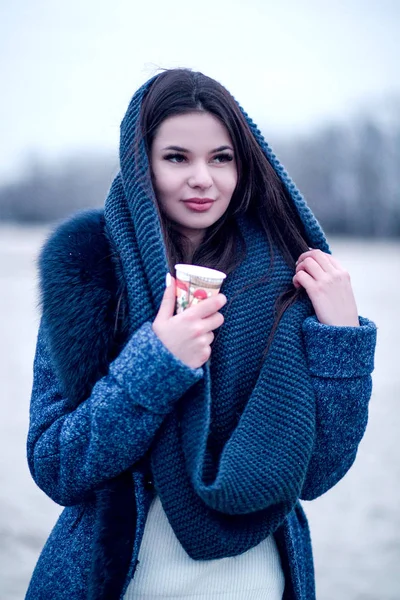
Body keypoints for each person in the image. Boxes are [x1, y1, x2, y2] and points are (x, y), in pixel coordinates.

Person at [25, 68, 377, 600]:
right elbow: (57, 465)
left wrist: (343, 340)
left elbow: (317, 476)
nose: (201, 179)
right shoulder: (88, 268)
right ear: (141, 163)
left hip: (262, 582)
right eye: (176, 157)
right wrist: (156, 364)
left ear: (245, 163)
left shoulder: (287, 276)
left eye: (221, 157)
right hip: (115, 581)